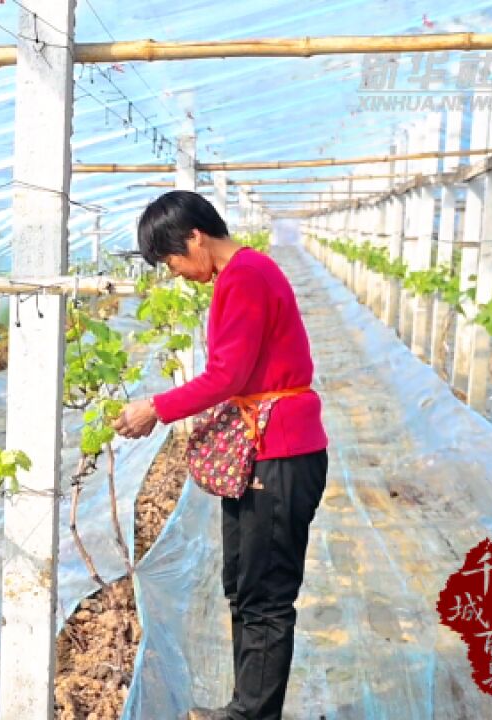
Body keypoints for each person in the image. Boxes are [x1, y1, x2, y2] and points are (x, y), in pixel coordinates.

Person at [112, 191, 328, 720]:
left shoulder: (245, 276)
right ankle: (246, 709)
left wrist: (155, 408)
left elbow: (226, 376)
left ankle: (251, 715)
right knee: (245, 584)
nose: (176, 272)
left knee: (266, 597)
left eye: (172, 260)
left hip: (279, 455)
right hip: (268, 453)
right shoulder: (245, 272)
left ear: (195, 237)